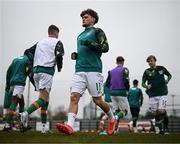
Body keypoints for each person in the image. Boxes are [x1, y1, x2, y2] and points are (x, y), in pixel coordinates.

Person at [56, 8, 116, 135]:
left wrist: (89, 43)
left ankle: (112, 118)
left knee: (97, 101)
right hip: (79, 71)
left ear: (93, 19)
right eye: (82, 17)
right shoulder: (80, 36)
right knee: (73, 97)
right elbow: (85, 52)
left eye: (86, 17)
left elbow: (105, 48)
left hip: (94, 71)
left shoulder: (98, 31)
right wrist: (76, 56)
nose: (83, 18)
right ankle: (70, 126)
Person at [20, 25, 64, 133]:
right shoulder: (57, 42)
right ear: (56, 32)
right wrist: (59, 67)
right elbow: (59, 55)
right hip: (46, 72)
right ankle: (24, 114)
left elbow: (27, 52)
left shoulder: (40, 42)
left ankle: (44, 128)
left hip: (36, 72)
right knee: (43, 99)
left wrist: (31, 64)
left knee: (45, 99)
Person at [3, 44, 36, 132]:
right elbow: (30, 74)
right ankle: (7, 125)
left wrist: (7, 84)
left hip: (12, 83)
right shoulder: (27, 61)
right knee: (14, 103)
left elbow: (8, 71)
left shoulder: (15, 59)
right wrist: (35, 85)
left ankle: (22, 125)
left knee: (21, 103)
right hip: (19, 84)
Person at [142, 55, 172, 134]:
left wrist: (167, 80)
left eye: (151, 61)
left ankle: (165, 128)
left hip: (162, 93)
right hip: (152, 95)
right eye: (148, 61)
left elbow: (169, 75)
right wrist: (146, 86)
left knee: (161, 111)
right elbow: (142, 83)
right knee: (156, 114)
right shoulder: (146, 71)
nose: (150, 62)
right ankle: (160, 129)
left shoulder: (161, 68)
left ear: (155, 61)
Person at [106, 56, 130, 131]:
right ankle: (114, 118)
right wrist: (127, 90)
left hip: (112, 93)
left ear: (116, 62)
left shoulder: (111, 71)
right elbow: (126, 81)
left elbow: (107, 83)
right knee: (125, 111)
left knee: (117, 111)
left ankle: (115, 129)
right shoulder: (125, 69)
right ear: (123, 62)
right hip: (122, 92)